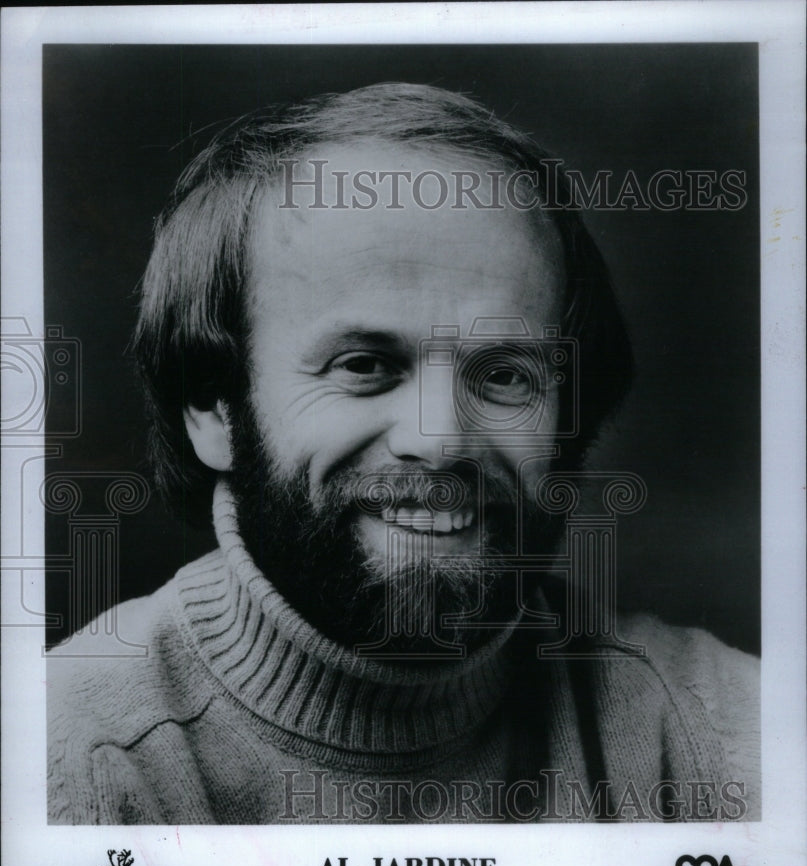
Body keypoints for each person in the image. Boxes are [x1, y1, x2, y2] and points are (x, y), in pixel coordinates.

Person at [47, 83, 759, 824]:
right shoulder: (71, 765)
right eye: (363, 366)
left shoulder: (715, 730)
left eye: (505, 374)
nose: (440, 438)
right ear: (212, 409)